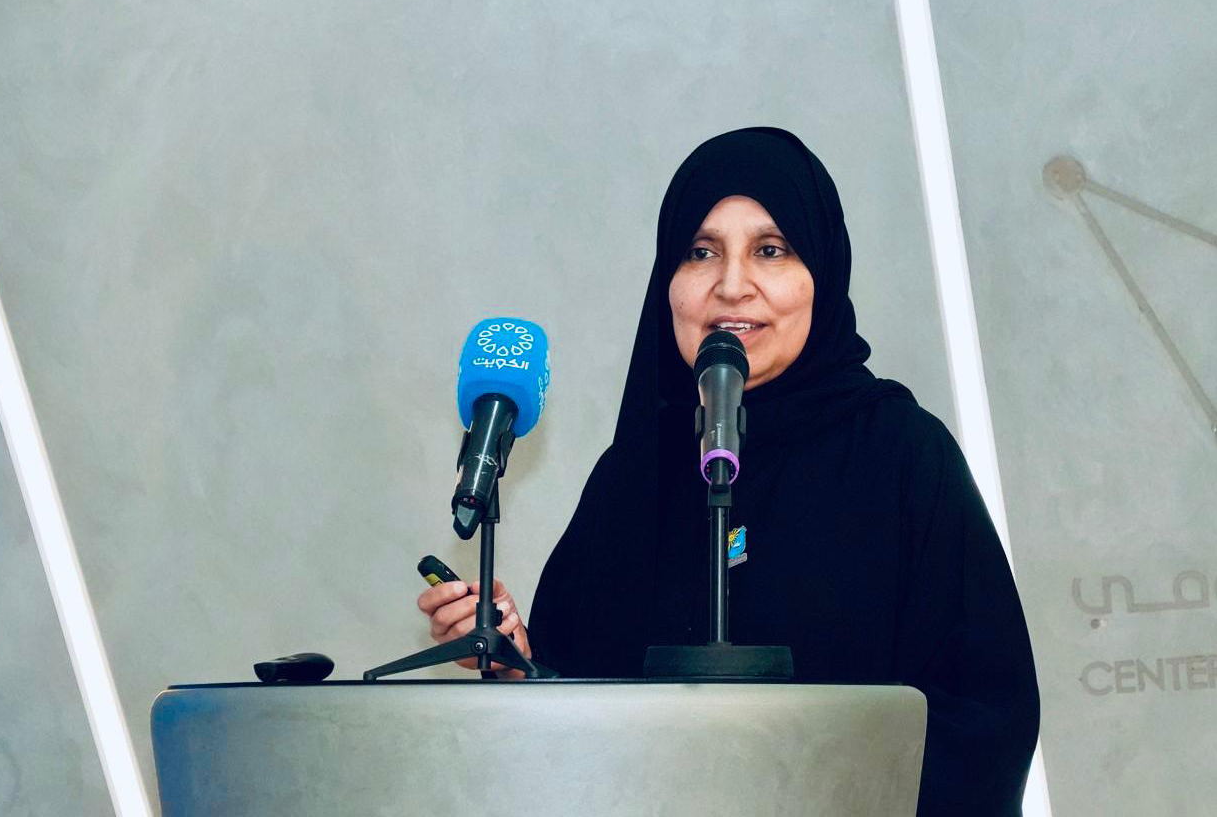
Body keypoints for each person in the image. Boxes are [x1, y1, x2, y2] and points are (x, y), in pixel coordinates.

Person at [418, 127, 1040, 814]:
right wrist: (517, 666)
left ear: (821, 274)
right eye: (701, 252)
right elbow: (574, 714)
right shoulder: (631, 478)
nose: (732, 285)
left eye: (770, 250)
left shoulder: (902, 457)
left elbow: (985, 718)